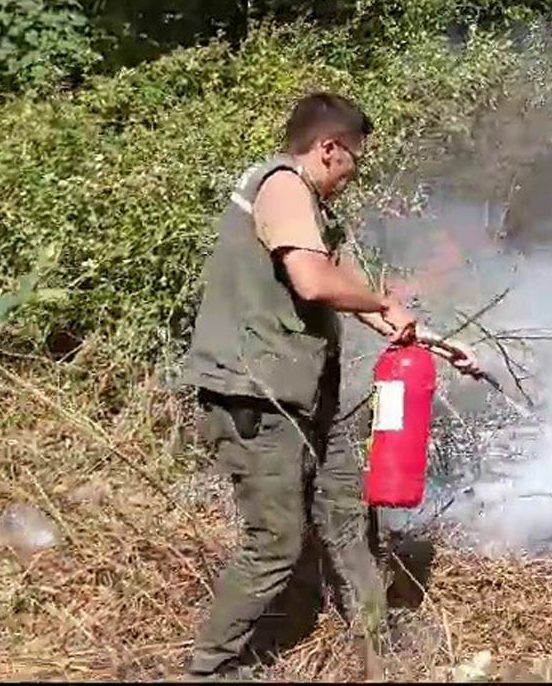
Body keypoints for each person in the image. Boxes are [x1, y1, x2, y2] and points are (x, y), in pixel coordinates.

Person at [177, 92, 481, 679]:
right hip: (253, 395)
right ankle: (208, 668)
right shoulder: (284, 186)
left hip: (294, 397)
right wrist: (379, 301)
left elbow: (362, 297)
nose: (351, 175)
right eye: (352, 161)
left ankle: (372, 641)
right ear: (328, 148)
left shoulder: (310, 209)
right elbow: (315, 284)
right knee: (276, 542)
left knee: (345, 511)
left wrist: (440, 344)